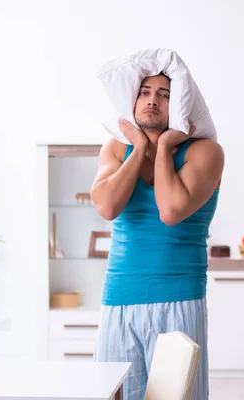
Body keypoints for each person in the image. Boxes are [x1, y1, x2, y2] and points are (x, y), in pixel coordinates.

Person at [90, 72, 224, 400]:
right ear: (132, 100)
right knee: (112, 395)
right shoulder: (114, 149)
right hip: (120, 298)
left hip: (179, 298)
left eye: (164, 94)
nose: (152, 100)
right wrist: (137, 148)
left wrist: (163, 146)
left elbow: (170, 211)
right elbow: (106, 207)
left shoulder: (206, 152)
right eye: (145, 92)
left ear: (177, 104)